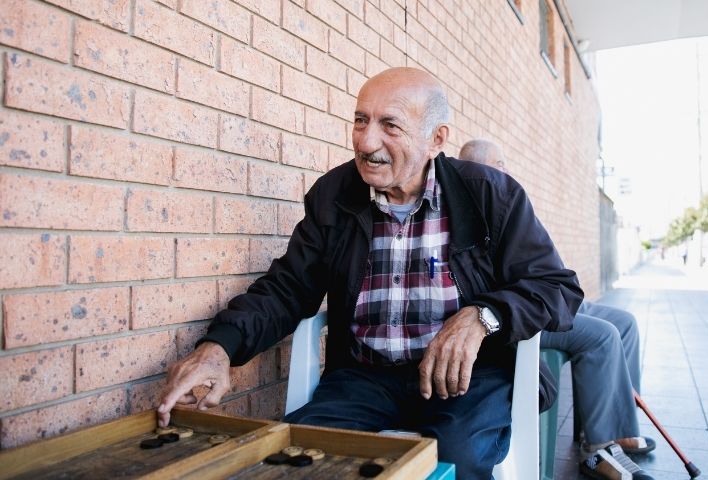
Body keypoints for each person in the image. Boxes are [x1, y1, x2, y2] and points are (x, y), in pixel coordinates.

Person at [157, 68, 584, 479]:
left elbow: (555, 287)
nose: (366, 141)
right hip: (364, 378)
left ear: (436, 139)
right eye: (360, 121)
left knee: (458, 458)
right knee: (299, 455)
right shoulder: (334, 195)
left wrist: (482, 316)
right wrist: (220, 348)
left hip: (467, 380)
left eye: (389, 125)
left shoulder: (489, 193)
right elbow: (289, 287)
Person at [459, 139, 656, 480]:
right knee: (602, 335)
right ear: (479, 170)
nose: (507, 170)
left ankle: (616, 422)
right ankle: (599, 448)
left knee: (623, 322)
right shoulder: (471, 208)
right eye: (500, 163)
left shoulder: (506, 202)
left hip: (545, 298)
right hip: (520, 314)